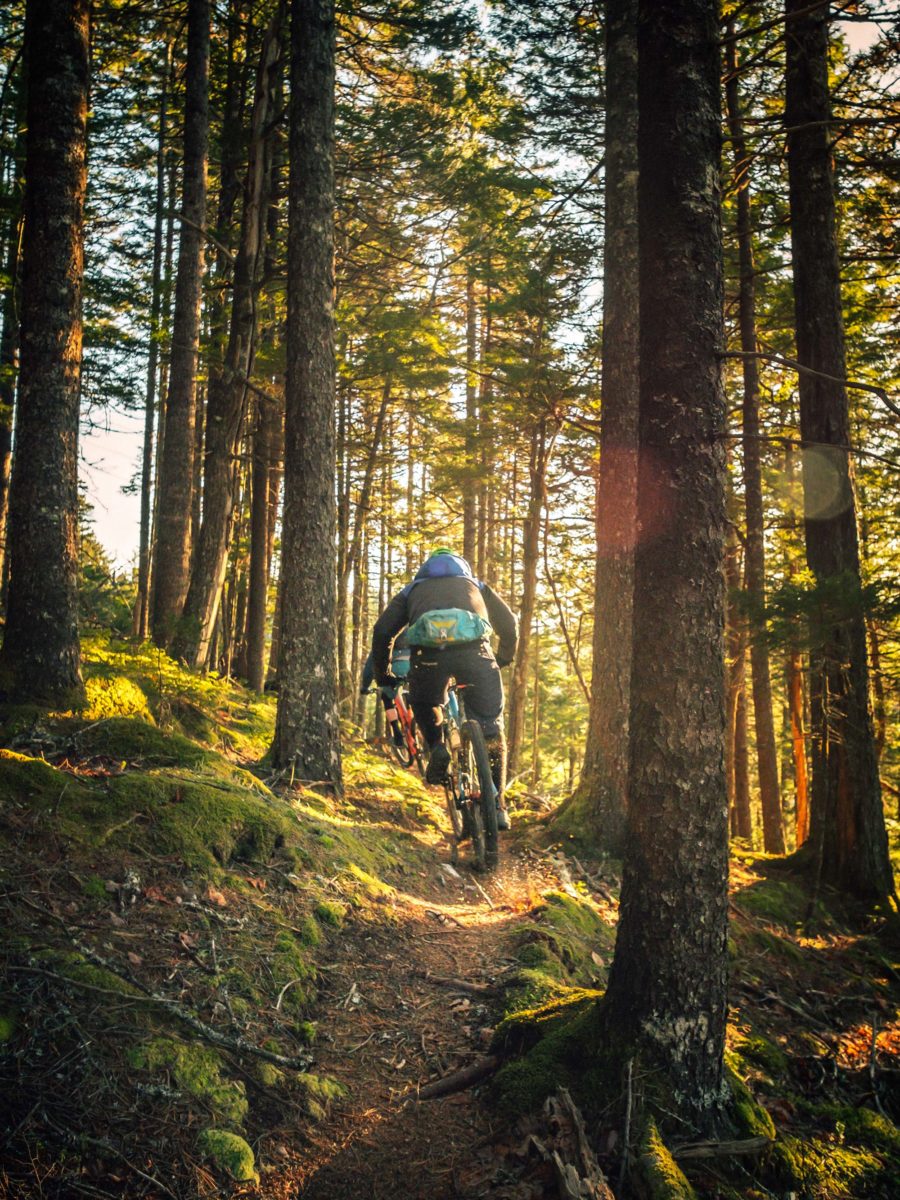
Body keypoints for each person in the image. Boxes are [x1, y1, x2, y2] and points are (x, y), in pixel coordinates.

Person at [370, 548, 517, 830]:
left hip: (428, 658)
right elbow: (509, 622)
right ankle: (498, 805)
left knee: (425, 702)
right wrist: (504, 658)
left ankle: (437, 746)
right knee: (492, 729)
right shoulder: (475, 585)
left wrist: (384, 676)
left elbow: (382, 631)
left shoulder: (412, 590)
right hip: (476, 655)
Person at [360, 630, 411, 749]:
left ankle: (397, 734)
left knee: (386, 697)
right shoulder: (410, 630)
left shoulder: (383, 634)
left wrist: (365, 686)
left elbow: (369, 667)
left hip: (395, 669)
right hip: (413, 666)